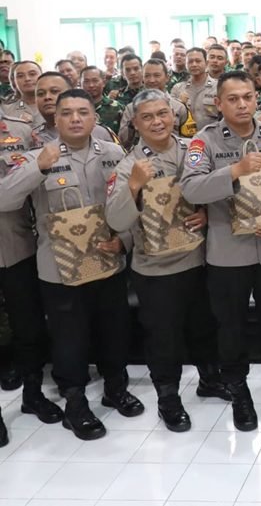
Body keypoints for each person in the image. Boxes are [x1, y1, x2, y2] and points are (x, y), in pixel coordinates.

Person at [2, 89, 141, 441]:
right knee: (69, 339)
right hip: (59, 269)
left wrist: (124, 242)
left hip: (107, 260)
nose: (76, 118)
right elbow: (5, 199)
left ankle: (115, 387)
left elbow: (131, 205)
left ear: (95, 118)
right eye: (67, 113)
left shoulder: (113, 153)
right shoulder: (36, 157)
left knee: (114, 330)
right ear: (55, 119)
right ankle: (75, 402)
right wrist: (38, 167)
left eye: (83, 112)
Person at [180, 71, 261, 432]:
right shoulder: (204, 142)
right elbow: (190, 190)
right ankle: (238, 390)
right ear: (218, 103)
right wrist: (234, 170)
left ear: (256, 99)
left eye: (247, 97)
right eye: (232, 98)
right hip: (227, 253)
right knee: (230, 326)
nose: (241, 104)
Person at [104, 89, 227, 432]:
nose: (157, 121)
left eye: (162, 114)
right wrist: (133, 187)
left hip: (200, 258)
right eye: (147, 117)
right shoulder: (130, 164)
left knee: (204, 326)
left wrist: (204, 213)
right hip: (156, 268)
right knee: (164, 337)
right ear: (136, 123)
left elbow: (213, 191)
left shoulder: (193, 150)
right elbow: (116, 220)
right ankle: (168, 398)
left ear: (174, 115)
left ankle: (209, 378)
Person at [0, 108, 63, 442]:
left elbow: (28, 189)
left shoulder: (21, 130)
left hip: (18, 245)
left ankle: (33, 393)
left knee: (30, 328)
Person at [117, 60, 190, 145]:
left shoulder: (179, 107)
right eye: (147, 76)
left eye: (157, 75)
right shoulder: (131, 108)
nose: (152, 80)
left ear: (167, 78)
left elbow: (187, 140)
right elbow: (123, 141)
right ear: (143, 78)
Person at [33, 72, 116, 144]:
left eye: (54, 91)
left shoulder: (100, 132)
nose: (47, 97)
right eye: (40, 94)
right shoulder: (32, 136)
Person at [170, 48, 219, 132]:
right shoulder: (178, 89)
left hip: (212, 138)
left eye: (198, 61)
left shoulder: (218, 87)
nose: (194, 64)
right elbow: (172, 118)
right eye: (190, 61)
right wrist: (180, 103)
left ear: (206, 63)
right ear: (186, 64)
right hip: (185, 138)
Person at [80, 66, 124, 136]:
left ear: (103, 82)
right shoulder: (76, 109)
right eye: (86, 81)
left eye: (95, 81)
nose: (91, 85)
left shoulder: (117, 108)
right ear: (80, 84)